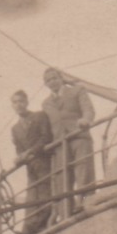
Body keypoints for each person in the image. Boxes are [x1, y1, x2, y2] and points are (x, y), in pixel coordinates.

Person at [42, 68, 95, 217]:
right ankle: (66, 213)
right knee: (63, 179)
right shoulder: (46, 104)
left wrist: (86, 120)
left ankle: (85, 204)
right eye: (48, 80)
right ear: (45, 84)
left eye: (54, 78)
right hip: (60, 144)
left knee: (84, 172)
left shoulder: (77, 91)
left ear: (61, 78)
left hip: (79, 136)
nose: (52, 82)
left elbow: (88, 110)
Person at [10, 90, 54, 234]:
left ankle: (38, 226)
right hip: (30, 166)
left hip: (43, 161)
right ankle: (29, 229)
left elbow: (46, 137)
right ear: (12, 105)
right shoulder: (15, 129)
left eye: (21, 101)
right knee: (31, 197)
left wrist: (30, 152)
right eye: (15, 102)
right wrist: (19, 158)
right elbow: (19, 149)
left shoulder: (39, 116)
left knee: (45, 192)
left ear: (27, 102)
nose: (18, 105)